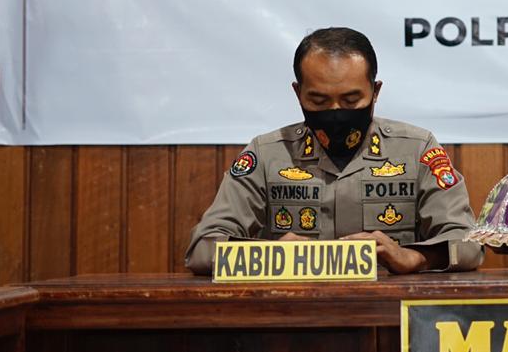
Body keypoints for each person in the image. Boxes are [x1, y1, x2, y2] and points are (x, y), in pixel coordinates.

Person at [185, 27, 483, 274]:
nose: (336, 111)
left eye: (351, 100)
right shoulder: (267, 154)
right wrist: (268, 255)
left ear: (375, 92)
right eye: (319, 101)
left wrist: (414, 257)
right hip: (291, 311)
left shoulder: (416, 149)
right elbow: (202, 249)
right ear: (298, 93)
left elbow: (468, 244)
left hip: (388, 312)